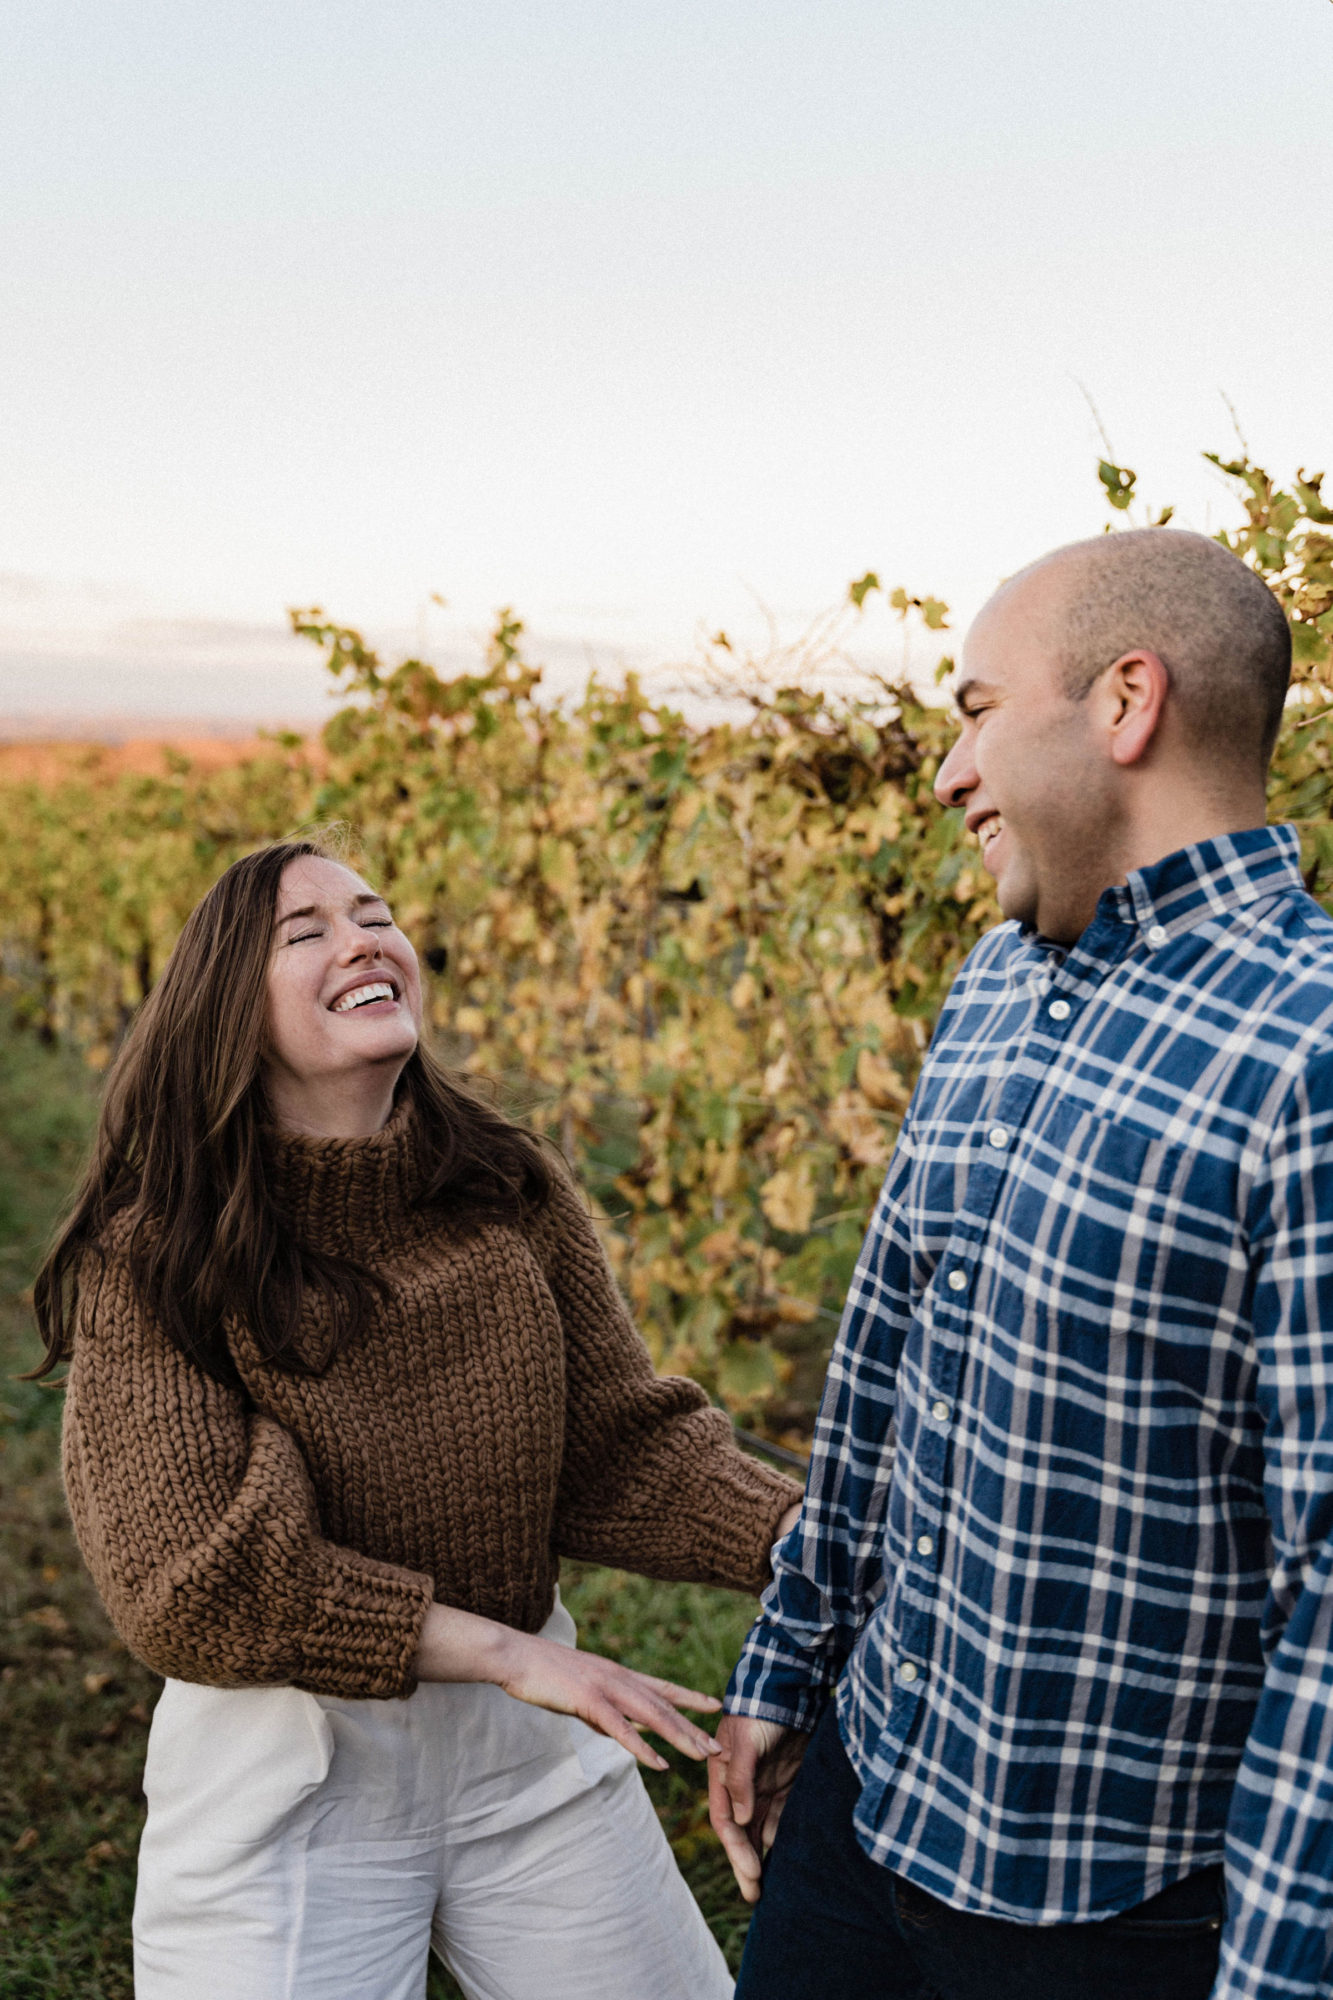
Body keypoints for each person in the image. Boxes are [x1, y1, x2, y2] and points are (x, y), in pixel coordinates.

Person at [709, 527, 1333, 2000]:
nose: (945, 772)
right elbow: (884, 1369)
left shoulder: (1309, 1058)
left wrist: (1279, 1974)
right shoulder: (994, 979)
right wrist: (788, 1673)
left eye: (978, 712)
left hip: (1117, 1916)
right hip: (864, 1817)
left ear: (1126, 704)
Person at [34, 837, 801, 2000]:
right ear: (227, 1012)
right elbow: (189, 1585)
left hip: (531, 1759)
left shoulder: (507, 1188)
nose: (362, 939)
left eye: (373, 912)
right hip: (290, 1772)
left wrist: (824, 1541)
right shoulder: (159, 1252)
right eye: (306, 933)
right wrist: (506, 1652)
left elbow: (618, 1449)